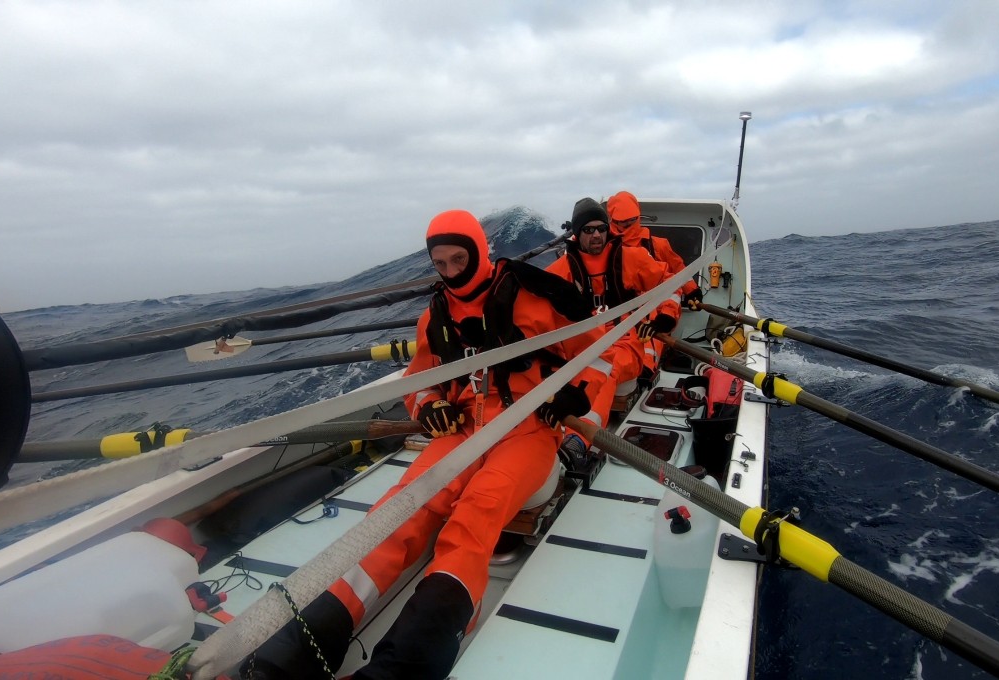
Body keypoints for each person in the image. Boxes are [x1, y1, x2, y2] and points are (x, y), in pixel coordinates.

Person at [247, 209, 613, 680]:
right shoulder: (435, 316)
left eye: (459, 259)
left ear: (480, 252)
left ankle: (411, 661)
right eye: (440, 264)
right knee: (402, 507)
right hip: (462, 427)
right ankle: (299, 645)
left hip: (530, 426)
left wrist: (573, 392)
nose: (451, 273)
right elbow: (419, 381)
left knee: (477, 511)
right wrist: (428, 407)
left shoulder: (537, 293)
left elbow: (603, 352)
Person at [546, 197, 682, 460]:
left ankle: (576, 442)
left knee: (602, 370)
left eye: (601, 228)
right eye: (588, 229)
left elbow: (669, 283)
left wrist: (666, 316)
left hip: (625, 344)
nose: (596, 234)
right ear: (577, 233)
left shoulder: (632, 258)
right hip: (580, 348)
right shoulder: (559, 272)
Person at [606, 190, 702, 307]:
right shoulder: (604, 248)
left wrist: (692, 291)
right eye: (624, 221)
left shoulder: (659, 245)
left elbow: (678, 269)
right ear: (613, 220)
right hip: (616, 313)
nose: (629, 224)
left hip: (657, 311)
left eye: (633, 219)